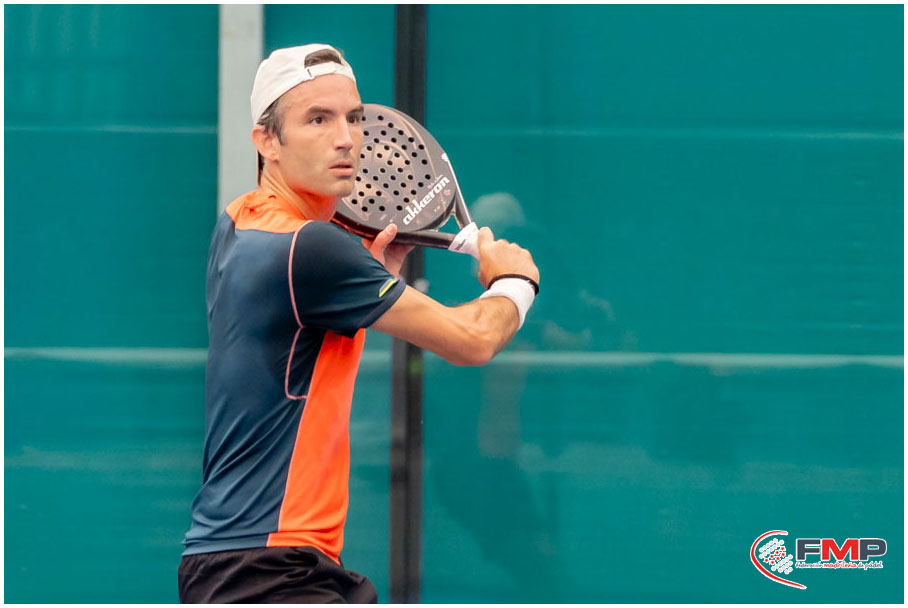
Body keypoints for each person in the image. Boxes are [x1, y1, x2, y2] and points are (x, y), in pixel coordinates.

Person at [178, 43, 540, 603]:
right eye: (317, 119)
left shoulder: (241, 221)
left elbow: (295, 345)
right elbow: (472, 340)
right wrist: (514, 281)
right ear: (266, 141)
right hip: (270, 570)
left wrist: (368, 278)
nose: (346, 138)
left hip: (244, 561)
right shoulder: (311, 249)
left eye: (353, 117)